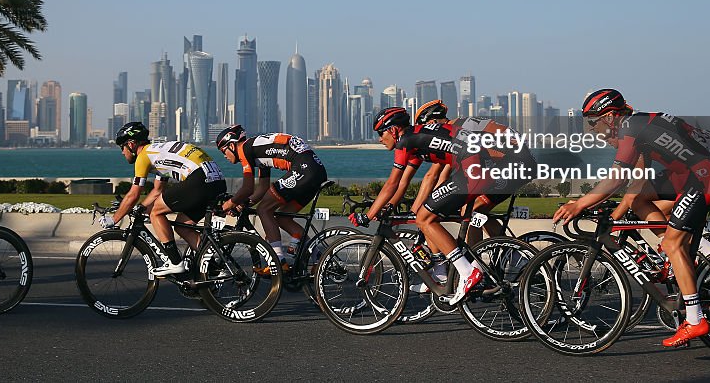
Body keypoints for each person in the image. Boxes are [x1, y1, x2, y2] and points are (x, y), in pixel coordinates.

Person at [553, 89, 710, 348]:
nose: (593, 129)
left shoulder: (631, 128)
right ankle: (680, 252)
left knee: (674, 244)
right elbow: (635, 186)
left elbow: (616, 177)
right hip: (696, 171)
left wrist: (579, 204)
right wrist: (612, 218)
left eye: (594, 122)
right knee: (640, 201)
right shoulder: (639, 125)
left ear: (611, 116)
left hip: (707, 176)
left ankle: (695, 319)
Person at [354, 107, 485, 306]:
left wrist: (368, 215)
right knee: (426, 214)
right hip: (476, 166)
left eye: (381, 133)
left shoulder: (406, 140)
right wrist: (388, 206)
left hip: (472, 168)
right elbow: (402, 183)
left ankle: (467, 272)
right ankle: (449, 270)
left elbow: (391, 183)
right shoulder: (415, 140)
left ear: (394, 130)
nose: (380, 139)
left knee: (424, 217)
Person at [105, 121, 227, 276]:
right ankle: (213, 269)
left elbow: (133, 194)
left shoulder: (144, 156)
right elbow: (157, 190)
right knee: (183, 226)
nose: (122, 152)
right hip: (217, 181)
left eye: (122, 147)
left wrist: (113, 219)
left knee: (156, 212)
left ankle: (175, 262)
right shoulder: (159, 153)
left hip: (199, 179)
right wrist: (142, 207)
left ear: (131, 144)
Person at [412, 100, 536, 245]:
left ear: (433, 123)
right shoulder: (458, 124)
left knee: (472, 209)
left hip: (515, 162)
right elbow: (441, 174)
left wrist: (419, 209)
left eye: (426, 128)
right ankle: (497, 252)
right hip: (513, 161)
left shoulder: (451, 132)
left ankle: (493, 259)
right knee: (474, 211)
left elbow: (433, 175)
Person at [215, 125, 327, 271]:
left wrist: (226, 206)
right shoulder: (256, 150)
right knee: (282, 218)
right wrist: (244, 203)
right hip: (315, 171)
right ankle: (318, 258)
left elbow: (247, 188)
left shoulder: (244, 149)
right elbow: (261, 189)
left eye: (223, 151)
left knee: (264, 209)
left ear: (231, 145)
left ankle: (278, 261)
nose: (224, 156)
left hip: (303, 169)